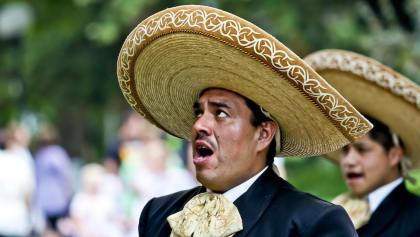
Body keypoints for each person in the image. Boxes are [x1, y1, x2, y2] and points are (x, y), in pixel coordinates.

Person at [116, 5, 372, 236]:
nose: (199, 125)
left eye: (221, 113)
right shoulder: (158, 215)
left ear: (263, 134)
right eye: (199, 112)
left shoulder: (311, 223)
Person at [305, 49, 420, 236]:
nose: (349, 161)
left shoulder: (416, 218)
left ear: (394, 155)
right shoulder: (334, 210)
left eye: (362, 149)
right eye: (345, 150)